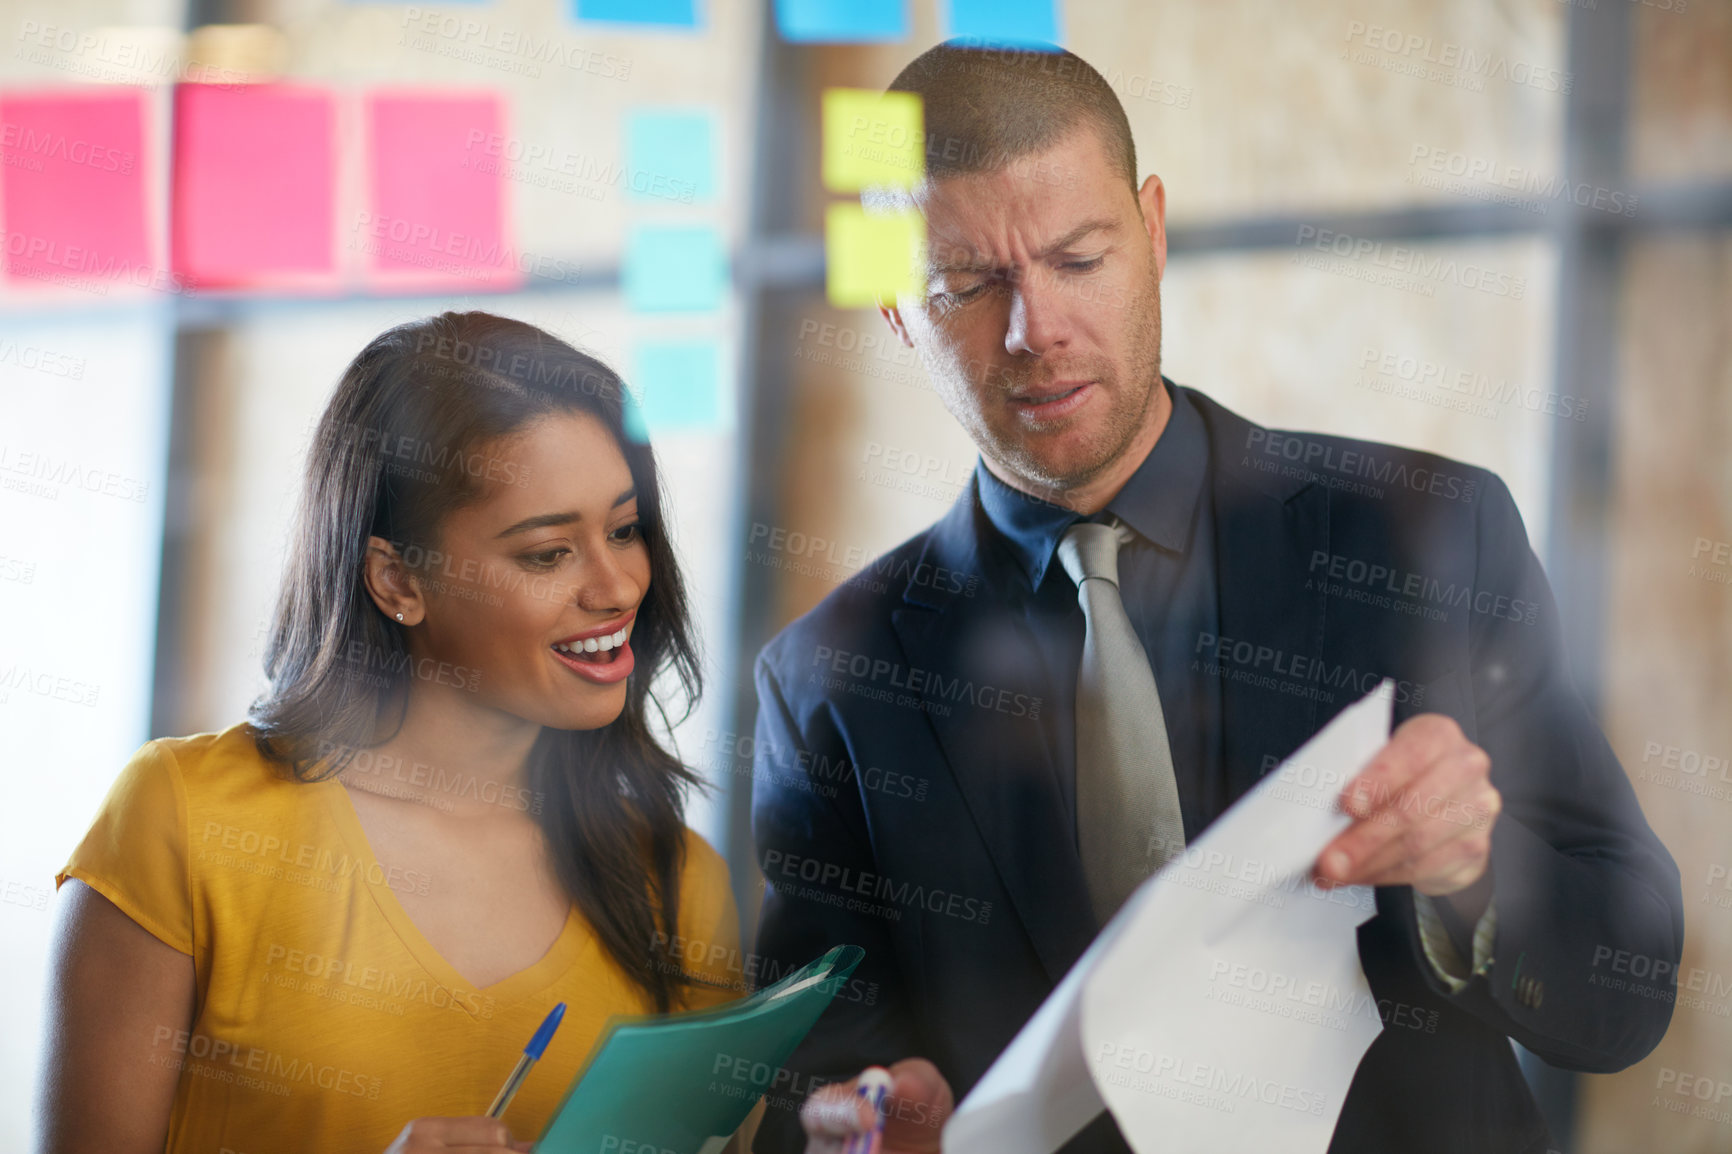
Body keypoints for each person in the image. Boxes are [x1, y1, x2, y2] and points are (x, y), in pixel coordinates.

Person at [748, 41, 1684, 1154]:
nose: (1034, 330)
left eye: (1078, 259)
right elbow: (813, 1085)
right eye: (967, 285)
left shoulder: (1429, 532)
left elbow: (1625, 991)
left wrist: (1473, 872)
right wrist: (856, 1120)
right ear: (899, 307)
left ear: (1150, 232)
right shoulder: (830, 679)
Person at [37, 312, 745, 1154]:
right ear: (397, 579)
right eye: (548, 552)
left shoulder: (677, 879)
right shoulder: (183, 821)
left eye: (625, 530)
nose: (619, 584)